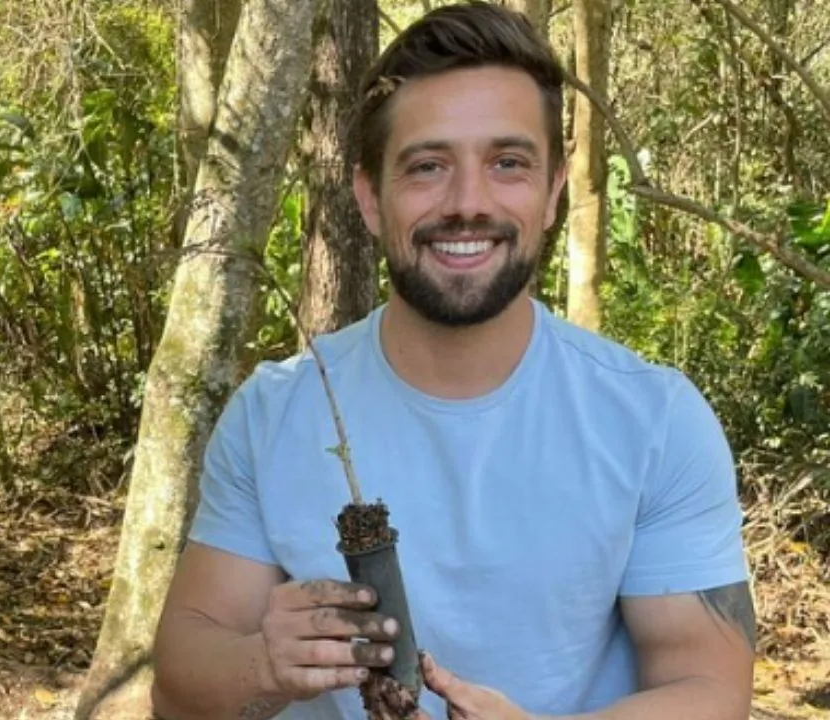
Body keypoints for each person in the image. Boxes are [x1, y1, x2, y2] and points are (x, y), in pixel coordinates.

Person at [149, 2, 756, 719]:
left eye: (507, 163)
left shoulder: (654, 420)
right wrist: (262, 663)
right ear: (369, 198)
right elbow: (178, 691)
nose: (468, 202)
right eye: (427, 166)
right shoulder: (274, 411)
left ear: (554, 191)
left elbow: (711, 692)